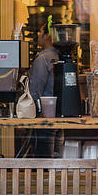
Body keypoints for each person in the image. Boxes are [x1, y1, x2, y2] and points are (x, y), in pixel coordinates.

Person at [27, 24, 59, 157]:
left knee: (43, 159)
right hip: (58, 115)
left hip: (44, 116)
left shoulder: (42, 59)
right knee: (56, 156)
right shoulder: (59, 55)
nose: (37, 36)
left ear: (47, 36)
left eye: (40, 32)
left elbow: (35, 90)